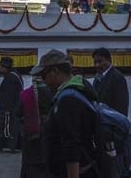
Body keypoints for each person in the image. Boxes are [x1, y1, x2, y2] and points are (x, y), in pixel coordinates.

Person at [32, 49, 107, 178]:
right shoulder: (79, 87)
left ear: (55, 71)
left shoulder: (68, 99)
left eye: (44, 76)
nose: (43, 81)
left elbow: (71, 144)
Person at [92, 47, 131, 178]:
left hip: (113, 132)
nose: (97, 65)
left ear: (109, 60)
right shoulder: (98, 79)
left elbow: (121, 110)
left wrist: (114, 134)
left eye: (100, 61)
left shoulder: (117, 78)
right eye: (95, 62)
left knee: (115, 168)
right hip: (101, 132)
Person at [16, 75, 54, 178]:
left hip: (30, 131)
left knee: (31, 161)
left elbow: (17, 112)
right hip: (48, 129)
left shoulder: (26, 94)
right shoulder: (51, 92)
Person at [0, 56, 24, 153]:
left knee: (2, 127)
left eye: (0, 66)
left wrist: (6, 110)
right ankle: (15, 145)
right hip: (15, 107)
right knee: (12, 127)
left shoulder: (10, 77)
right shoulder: (16, 75)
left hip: (8, 108)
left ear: (4, 67)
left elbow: (8, 95)